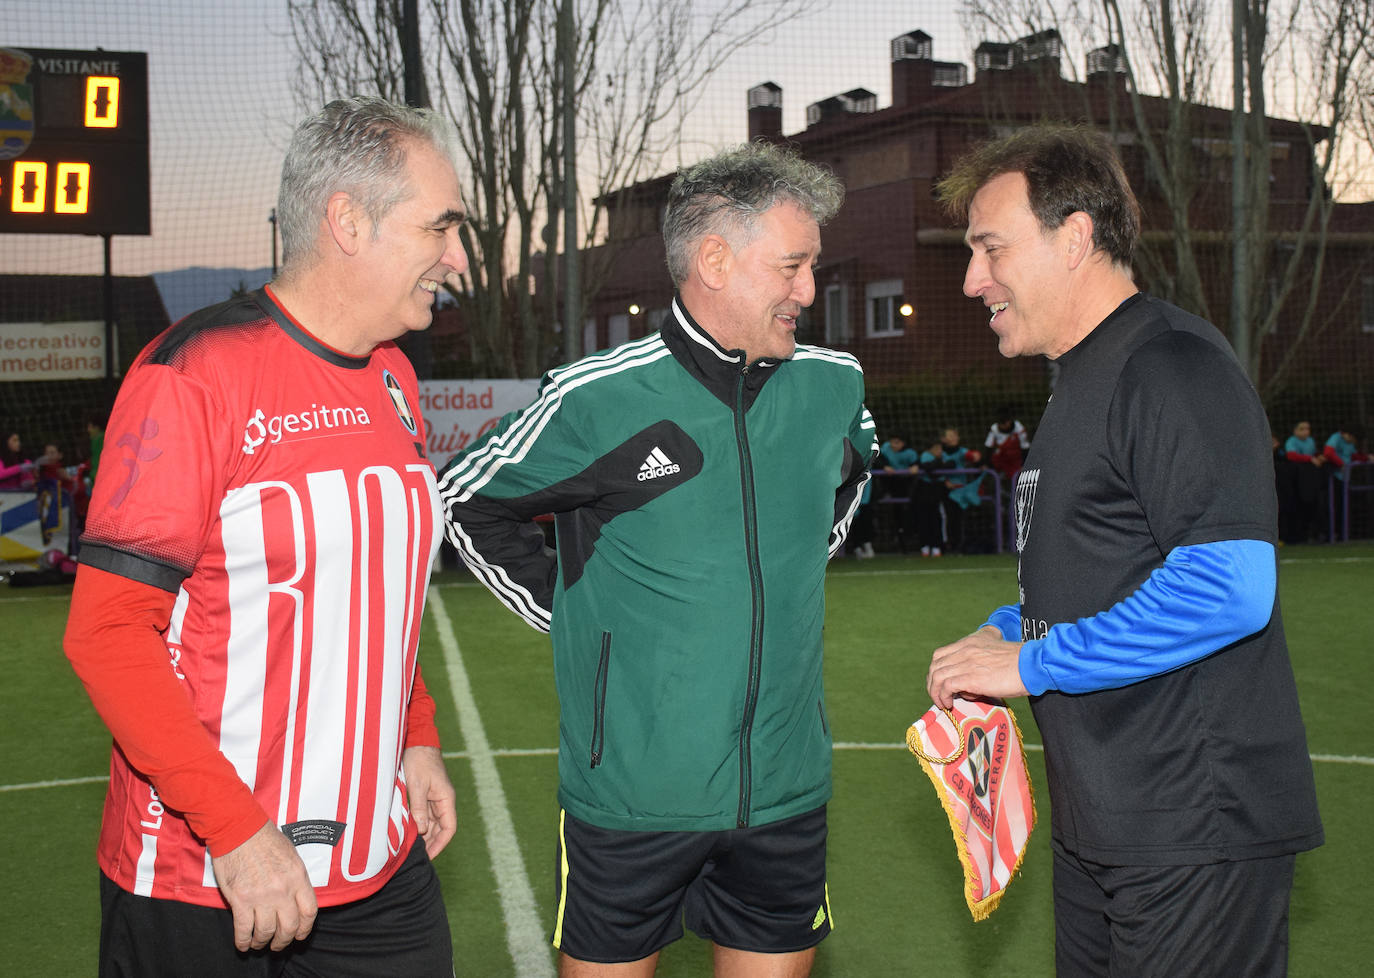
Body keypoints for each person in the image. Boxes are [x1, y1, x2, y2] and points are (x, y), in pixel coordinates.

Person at [439, 141, 874, 977]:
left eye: (811, 266)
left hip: (784, 792)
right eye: (792, 266)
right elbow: (465, 498)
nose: (808, 292)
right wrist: (572, 611)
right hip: (632, 798)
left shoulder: (834, 386)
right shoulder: (597, 398)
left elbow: (853, 474)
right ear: (714, 259)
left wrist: (785, 578)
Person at [62, 96, 468, 977]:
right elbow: (105, 633)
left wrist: (416, 731)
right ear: (347, 221)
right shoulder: (194, 373)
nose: (458, 257)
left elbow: (368, 588)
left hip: (376, 863)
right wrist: (238, 833)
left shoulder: (396, 376)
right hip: (205, 877)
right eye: (441, 227)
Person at [925, 125, 1322, 977]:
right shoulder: (1080, 382)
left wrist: (1030, 666)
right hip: (1109, 827)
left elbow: (1228, 587)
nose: (971, 279)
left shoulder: (1171, 365)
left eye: (991, 248)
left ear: (1074, 237)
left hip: (1194, 830)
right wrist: (1005, 633)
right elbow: (1102, 567)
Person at [1283, 420, 1328, 542]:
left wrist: (1319, 457)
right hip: (1297, 481)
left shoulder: (1310, 441)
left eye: (1308, 429)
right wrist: (1310, 459)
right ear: (1295, 431)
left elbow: (1313, 454)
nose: (1306, 432)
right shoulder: (1291, 441)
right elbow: (1291, 456)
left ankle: (1315, 534)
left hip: (1310, 482)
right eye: (1302, 429)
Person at [984, 406, 1030, 480]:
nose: (1003, 426)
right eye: (1001, 423)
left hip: (1016, 459)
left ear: (1009, 421)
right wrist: (986, 464)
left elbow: (1025, 447)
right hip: (1002, 459)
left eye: (1005, 423)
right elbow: (988, 448)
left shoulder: (1019, 428)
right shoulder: (994, 429)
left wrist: (1023, 465)